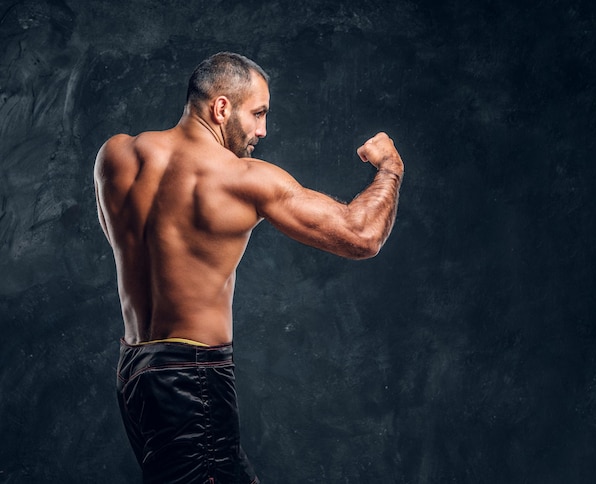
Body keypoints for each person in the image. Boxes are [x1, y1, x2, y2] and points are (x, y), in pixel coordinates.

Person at [94, 52, 404, 484]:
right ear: (221, 108)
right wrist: (390, 168)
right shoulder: (241, 179)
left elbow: (129, 243)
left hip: (135, 372)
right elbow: (362, 235)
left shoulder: (115, 156)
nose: (263, 130)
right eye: (258, 113)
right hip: (193, 377)